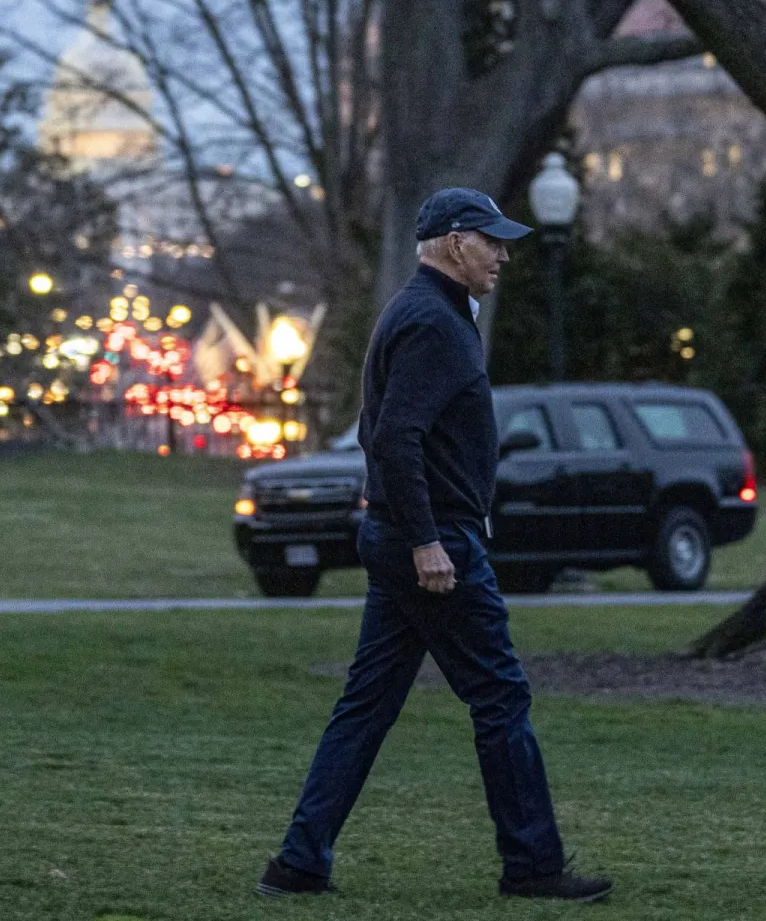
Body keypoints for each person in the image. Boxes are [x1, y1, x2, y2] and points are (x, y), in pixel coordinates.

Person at [255, 188, 612, 903]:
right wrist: (426, 542)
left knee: (368, 703)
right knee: (500, 697)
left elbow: (386, 431)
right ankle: (534, 865)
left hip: (409, 538)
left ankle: (298, 865)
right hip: (434, 545)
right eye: (493, 241)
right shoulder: (434, 325)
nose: (504, 255)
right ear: (454, 242)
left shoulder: (423, 313)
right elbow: (393, 437)